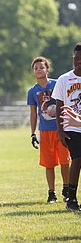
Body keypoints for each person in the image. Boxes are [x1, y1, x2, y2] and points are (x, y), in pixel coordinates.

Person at [27, 56, 70, 204]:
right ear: (33, 72)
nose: (39, 70)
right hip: (45, 131)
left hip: (61, 128)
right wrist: (33, 133)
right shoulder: (32, 91)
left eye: (41, 67)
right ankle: (51, 193)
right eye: (36, 68)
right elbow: (33, 113)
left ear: (47, 69)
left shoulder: (57, 84)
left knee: (65, 161)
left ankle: (67, 189)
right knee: (49, 163)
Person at [52, 42, 81, 211]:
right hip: (71, 127)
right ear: (72, 59)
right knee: (77, 158)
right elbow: (58, 106)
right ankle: (71, 200)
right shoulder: (64, 79)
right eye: (76, 58)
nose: (79, 61)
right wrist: (60, 131)